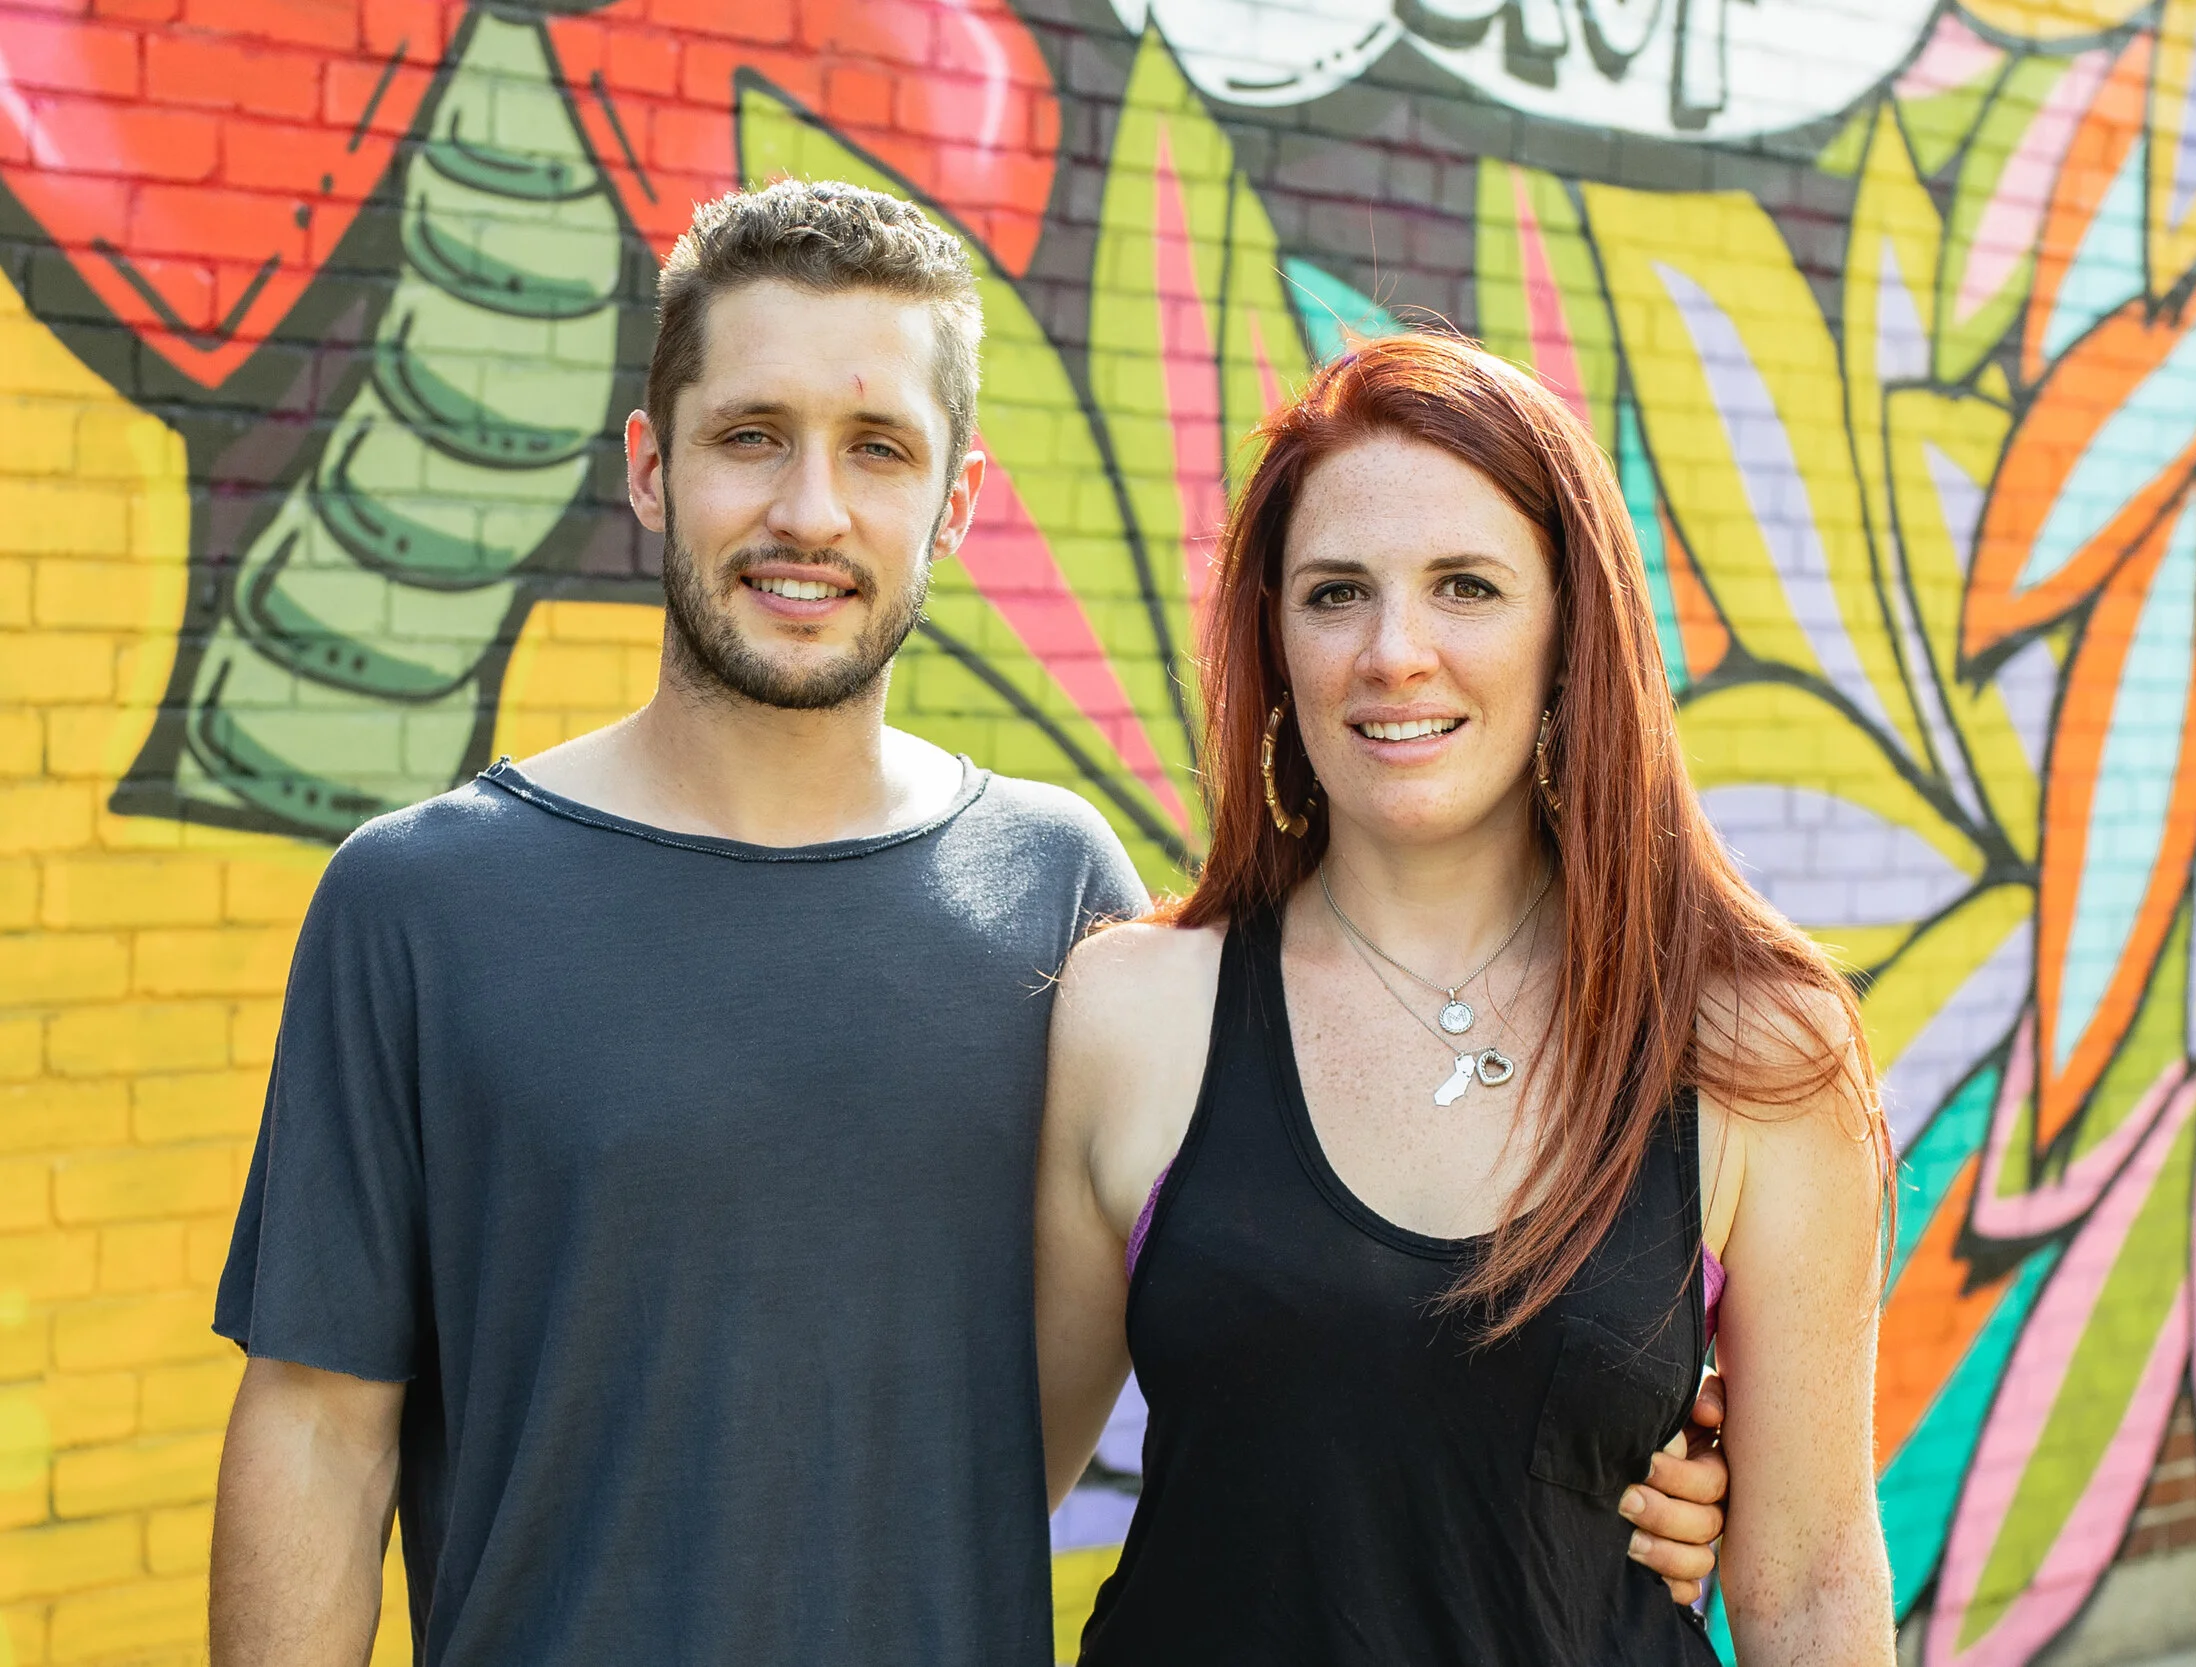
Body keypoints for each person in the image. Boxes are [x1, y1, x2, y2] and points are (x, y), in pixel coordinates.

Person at [205, 181, 1728, 1667]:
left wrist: (1629, 1429)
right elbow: (319, 1435)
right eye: (750, 436)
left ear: (958, 504)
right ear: (652, 467)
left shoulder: (1063, 904)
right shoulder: (420, 907)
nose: (810, 511)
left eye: (878, 449)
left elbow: (1278, 1333)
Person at [1035, 334, 1895, 1664]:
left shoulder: (1752, 1048)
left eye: (1467, 587)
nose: (1395, 652)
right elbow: (986, 1482)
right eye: (1336, 593)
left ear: (1570, 635)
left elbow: (1815, 1585)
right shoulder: (1130, 1012)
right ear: (1276, 639)